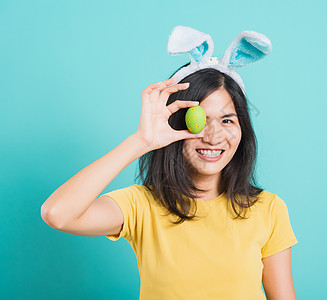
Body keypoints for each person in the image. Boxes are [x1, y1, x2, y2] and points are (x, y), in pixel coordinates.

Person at [41, 26, 299, 300]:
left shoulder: (268, 209)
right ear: (175, 125)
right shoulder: (142, 205)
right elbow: (57, 214)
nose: (213, 137)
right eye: (198, 119)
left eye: (227, 120)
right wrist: (141, 141)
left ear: (242, 130)